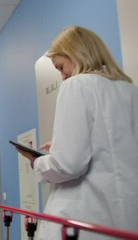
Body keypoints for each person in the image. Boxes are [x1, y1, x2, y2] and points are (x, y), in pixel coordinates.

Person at [15, 26, 138, 239]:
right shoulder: (130, 90)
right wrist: (61, 144)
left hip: (83, 218)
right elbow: (112, 148)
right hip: (126, 219)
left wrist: (38, 161)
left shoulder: (76, 85)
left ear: (77, 54)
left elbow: (68, 164)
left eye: (61, 67)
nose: (63, 76)